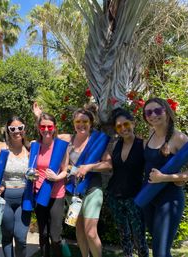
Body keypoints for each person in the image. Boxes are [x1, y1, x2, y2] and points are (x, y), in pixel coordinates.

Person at [33, 103, 111, 257]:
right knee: (80, 231)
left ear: (91, 123)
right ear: (74, 123)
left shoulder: (97, 141)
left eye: (85, 122)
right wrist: (39, 116)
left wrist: (89, 167)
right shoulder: (67, 138)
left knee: (90, 232)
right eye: (78, 122)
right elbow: (48, 131)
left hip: (91, 189)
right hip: (73, 192)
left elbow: (108, 165)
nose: (81, 125)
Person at [142, 97, 188, 257]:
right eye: (148, 112)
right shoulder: (149, 135)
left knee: (160, 252)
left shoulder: (179, 138)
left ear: (167, 112)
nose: (153, 115)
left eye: (157, 110)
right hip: (149, 198)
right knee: (160, 248)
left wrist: (164, 178)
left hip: (169, 199)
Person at [106, 108, 148, 257]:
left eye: (126, 124)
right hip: (114, 196)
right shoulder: (115, 145)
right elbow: (107, 164)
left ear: (133, 123)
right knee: (123, 235)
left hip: (135, 198)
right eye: (119, 126)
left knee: (139, 237)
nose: (123, 128)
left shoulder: (143, 144)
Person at [0, 116, 31, 257]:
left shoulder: (30, 149)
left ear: (24, 129)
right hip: (5, 198)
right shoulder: (2, 148)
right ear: (8, 130)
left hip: (24, 199)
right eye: (12, 128)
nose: (16, 131)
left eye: (20, 128)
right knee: (7, 236)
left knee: (21, 238)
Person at [33, 112, 68, 257]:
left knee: (55, 237)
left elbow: (65, 170)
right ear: (38, 128)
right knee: (43, 234)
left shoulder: (60, 146)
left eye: (49, 126)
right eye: (43, 126)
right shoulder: (35, 146)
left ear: (54, 128)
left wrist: (57, 177)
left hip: (56, 195)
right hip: (39, 194)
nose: (46, 129)